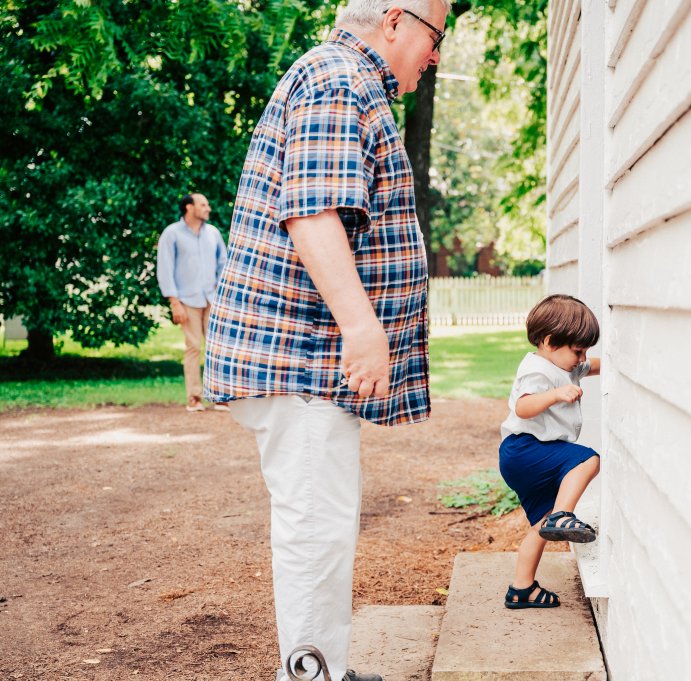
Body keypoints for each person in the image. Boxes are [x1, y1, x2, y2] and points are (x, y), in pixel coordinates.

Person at [203, 1, 450, 679]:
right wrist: (363, 325)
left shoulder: (343, 79)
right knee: (316, 530)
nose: (436, 57)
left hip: (304, 356)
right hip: (302, 354)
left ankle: (324, 671)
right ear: (396, 23)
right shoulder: (339, 79)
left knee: (324, 525)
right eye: (437, 37)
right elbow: (311, 213)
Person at [498, 294, 602, 609]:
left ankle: (522, 589)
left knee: (540, 525)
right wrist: (555, 394)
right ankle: (562, 514)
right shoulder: (538, 369)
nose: (582, 357)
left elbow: (594, 365)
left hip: (528, 453)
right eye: (578, 350)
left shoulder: (564, 364)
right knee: (587, 459)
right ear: (549, 341)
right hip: (525, 448)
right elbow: (523, 407)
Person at [156, 193, 227, 412]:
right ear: (189, 207)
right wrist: (174, 302)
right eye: (203, 205)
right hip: (187, 299)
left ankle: (221, 396)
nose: (208, 208)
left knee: (217, 347)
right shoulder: (171, 234)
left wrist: (221, 290)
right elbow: (165, 268)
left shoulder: (213, 233)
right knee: (193, 347)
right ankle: (194, 397)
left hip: (212, 298)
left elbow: (224, 263)